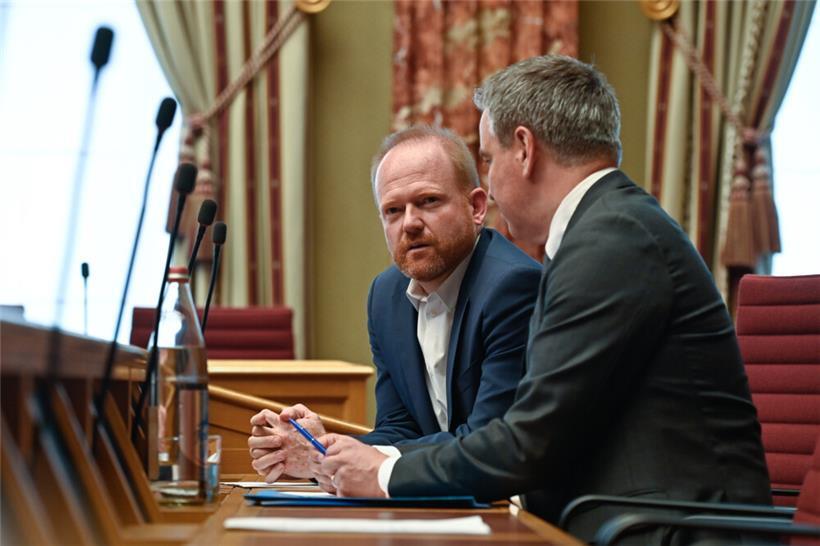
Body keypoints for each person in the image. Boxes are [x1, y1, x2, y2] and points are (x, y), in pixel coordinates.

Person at [309, 55, 771, 542]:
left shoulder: (610, 241)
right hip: (626, 519)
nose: (488, 180)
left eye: (488, 158)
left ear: (524, 149)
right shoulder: (605, 230)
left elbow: (527, 443)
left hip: (669, 531)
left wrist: (382, 475)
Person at [247, 125, 541, 482]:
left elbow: (486, 441)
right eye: (393, 210)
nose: (411, 224)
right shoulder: (386, 296)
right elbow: (399, 428)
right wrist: (320, 450)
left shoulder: (513, 287)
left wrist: (347, 457)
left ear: (477, 207)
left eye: (429, 201)